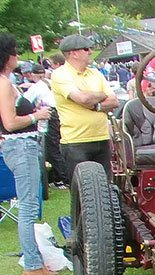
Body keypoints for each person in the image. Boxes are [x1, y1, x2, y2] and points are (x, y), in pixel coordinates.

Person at [0, 33, 55, 275]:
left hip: (20, 146)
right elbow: (10, 123)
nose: (18, 55)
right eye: (14, 50)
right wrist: (37, 115)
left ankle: (35, 262)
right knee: (28, 207)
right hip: (20, 146)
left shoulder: (7, 82)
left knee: (29, 206)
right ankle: (32, 265)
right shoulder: (3, 83)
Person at [50, 34, 118, 181]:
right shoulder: (60, 75)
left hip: (102, 138)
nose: (90, 52)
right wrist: (101, 95)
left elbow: (114, 101)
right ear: (73, 53)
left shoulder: (95, 74)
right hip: (76, 142)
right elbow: (82, 98)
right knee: (84, 191)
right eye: (86, 49)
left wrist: (95, 105)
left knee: (105, 188)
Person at [23, 63, 68, 188]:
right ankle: (57, 178)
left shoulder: (36, 87)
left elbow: (24, 102)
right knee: (57, 146)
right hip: (59, 114)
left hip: (49, 115)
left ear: (31, 74)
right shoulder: (48, 82)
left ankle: (65, 179)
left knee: (51, 149)